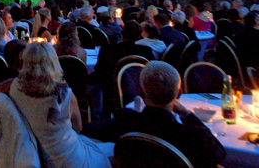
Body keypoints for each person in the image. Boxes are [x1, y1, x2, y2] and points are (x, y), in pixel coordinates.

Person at [0, 42, 112, 168]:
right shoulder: (66, 95)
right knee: (111, 150)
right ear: (53, 62)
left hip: (35, 155)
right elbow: (78, 128)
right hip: (68, 158)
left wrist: (14, 119)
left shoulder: (14, 86)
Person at [82, 61, 226, 168]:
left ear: (141, 92)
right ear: (179, 93)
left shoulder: (125, 123)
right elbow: (220, 155)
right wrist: (187, 114)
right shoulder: (195, 136)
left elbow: (87, 130)